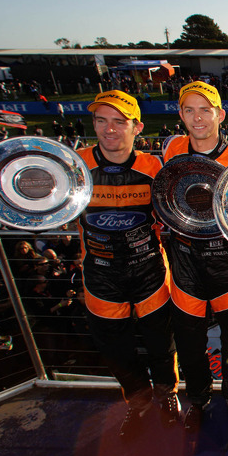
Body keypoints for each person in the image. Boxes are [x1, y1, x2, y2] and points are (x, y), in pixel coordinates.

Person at [77, 90, 180, 438]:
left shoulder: (155, 168)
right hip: (100, 275)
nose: (109, 129)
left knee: (161, 346)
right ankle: (138, 402)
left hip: (150, 270)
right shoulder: (73, 166)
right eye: (101, 120)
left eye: (119, 121)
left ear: (136, 127)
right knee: (117, 353)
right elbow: (29, 199)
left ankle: (167, 396)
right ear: (93, 124)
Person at [163, 81, 228, 432]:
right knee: (189, 343)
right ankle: (199, 400)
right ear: (181, 114)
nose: (198, 117)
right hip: (184, 260)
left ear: (220, 113)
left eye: (205, 109)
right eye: (189, 110)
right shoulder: (172, 148)